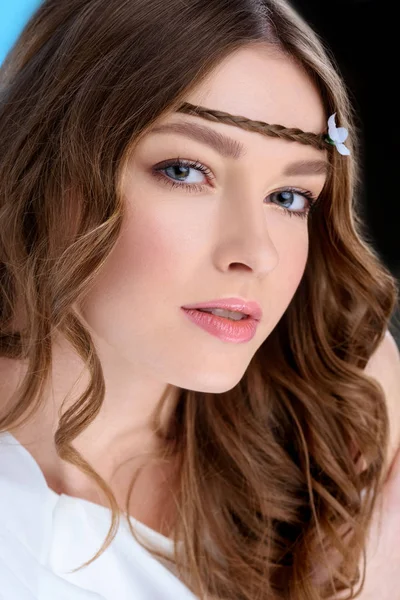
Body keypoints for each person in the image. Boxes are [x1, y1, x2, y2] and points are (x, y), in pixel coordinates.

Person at [0, 0, 399, 599]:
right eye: (186, 170)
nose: (256, 253)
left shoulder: (337, 420)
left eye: (289, 197)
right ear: (49, 169)